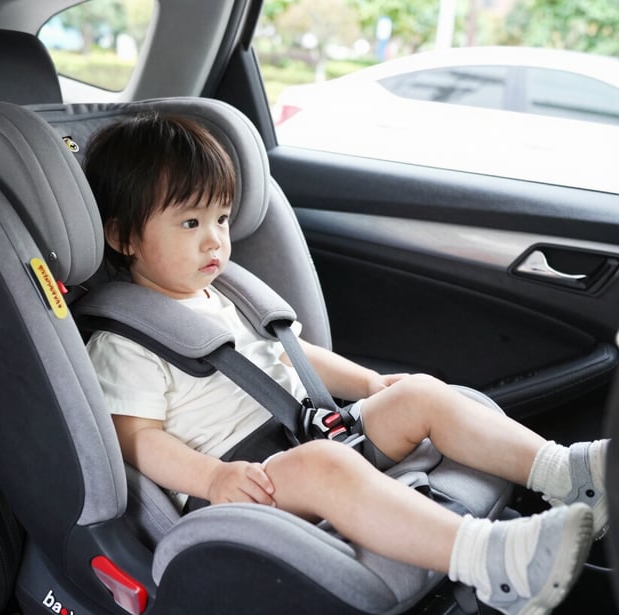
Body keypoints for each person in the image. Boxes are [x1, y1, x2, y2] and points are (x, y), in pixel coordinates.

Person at [83, 112, 608, 615]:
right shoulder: (124, 342)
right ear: (124, 236)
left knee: (419, 393)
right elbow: (135, 438)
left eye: (221, 218)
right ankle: (491, 559)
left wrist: (371, 383)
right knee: (326, 467)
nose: (215, 238)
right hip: (245, 485)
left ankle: (568, 472)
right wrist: (213, 477)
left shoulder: (219, 295)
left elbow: (288, 352)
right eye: (190, 222)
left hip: (309, 433)